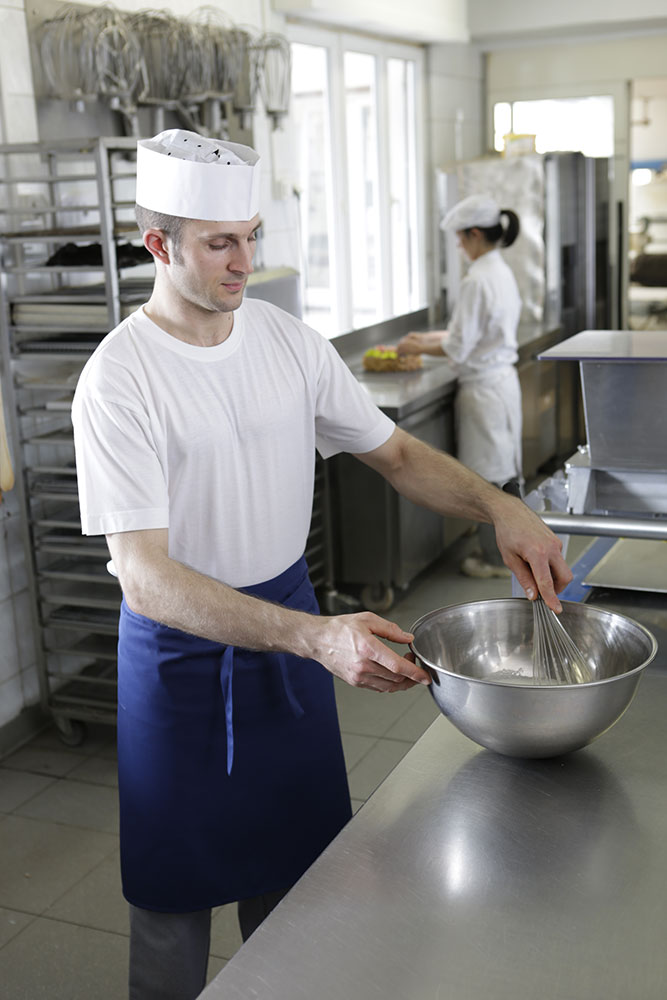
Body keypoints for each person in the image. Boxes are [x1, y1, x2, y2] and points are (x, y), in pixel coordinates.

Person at [71, 131, 571, 1000]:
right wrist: (312, 637)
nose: (245, 261)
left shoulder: (284, 340)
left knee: (302, 879)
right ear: (159, 245)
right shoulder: (120, 379)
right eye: (220, 243)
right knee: (172, 902)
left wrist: (501, 507)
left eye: (252, 236)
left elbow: (396, 455)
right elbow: (145, 576)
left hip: (294, 638)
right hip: (182, 659)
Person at [397, 193, 523, 580]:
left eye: (459, 238)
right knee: (503, 474)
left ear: (472, 235)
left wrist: (419, 344)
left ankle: (494, 559)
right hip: (501, 385)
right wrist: (425, 339)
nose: (457, 246)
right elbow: (466, 334)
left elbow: (458, 344)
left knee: (488, 481)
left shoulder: (476, 279)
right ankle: (505, 549)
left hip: (485, 392)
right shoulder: (498, 270)